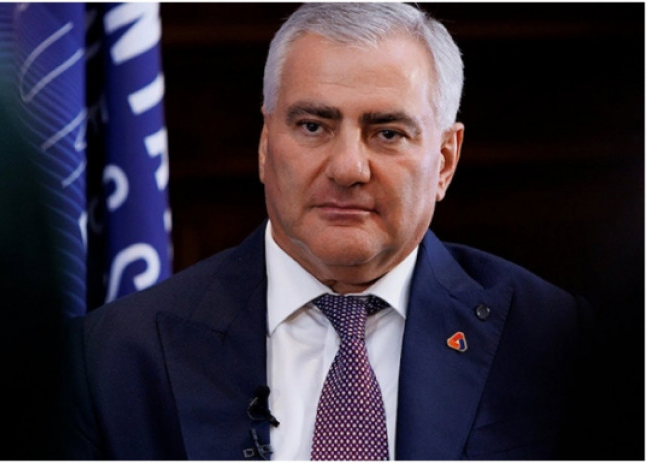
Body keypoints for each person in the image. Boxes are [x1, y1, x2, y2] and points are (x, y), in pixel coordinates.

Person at [61, 3, 591, 459]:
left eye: (387, 133)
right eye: (313, 126)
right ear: (265, 145)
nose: (347, 168)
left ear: (445, 161)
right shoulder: (114, 357)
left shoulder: (554, 341)